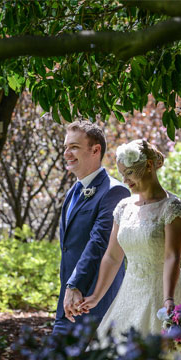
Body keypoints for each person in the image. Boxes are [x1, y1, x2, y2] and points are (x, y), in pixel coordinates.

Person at [79, 139, 181, 343]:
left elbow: (172, 257)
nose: (125, 180)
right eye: (122, 174)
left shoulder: (173, 208)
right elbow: (113, 257)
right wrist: (96, 296)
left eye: (130, 173)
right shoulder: (123, 207)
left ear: (149, 166)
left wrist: (168, 299)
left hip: (161, 292)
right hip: (129, 294)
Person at [53, 120, 130, 335]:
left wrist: (76, 285)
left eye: (74, 147)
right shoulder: (72, 192)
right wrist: (68, 289)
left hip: (96, 304)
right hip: (68, 302)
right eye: (66, 147)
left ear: (95, 150)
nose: (67, 153)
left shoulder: (114, 192)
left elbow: (99, 243)